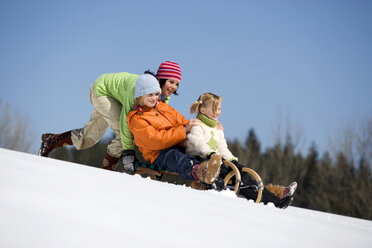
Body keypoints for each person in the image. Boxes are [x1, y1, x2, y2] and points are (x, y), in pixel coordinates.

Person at [39, 61, 182, 171]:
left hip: (115, 97)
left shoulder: (160, 97)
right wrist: (128, 152)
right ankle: (107, 173)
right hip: (103, 91)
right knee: (122, 133)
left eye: (177, 84)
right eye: (171, 82)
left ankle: (51, 141)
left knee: (88, 138)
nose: (174, 87)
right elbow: (128, 121)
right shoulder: (140, 89)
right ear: (161, 79)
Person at [185, 92, 297, 208]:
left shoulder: (217, 129)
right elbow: (198, 142)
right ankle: (274, 200)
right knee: (240, 181)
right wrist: (211, 154)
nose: (218, 112)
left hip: (216, 160)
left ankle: (275, 198)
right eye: (214, 109)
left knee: (243, 175)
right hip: (200, 160)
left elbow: (223, 148)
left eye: (219, 109)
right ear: (202, 110)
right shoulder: (197, 125)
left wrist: (233, 160)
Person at [127, 74, 223, 185]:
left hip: (178, 145)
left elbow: (182, 121)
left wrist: (206, 124)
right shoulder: (137, 118)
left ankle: (217, 171)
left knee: (195, 153)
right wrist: (182, 131)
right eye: (150, 94)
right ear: (140, 96)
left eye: (156, 94)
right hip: (159, 154)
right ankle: (199, 171)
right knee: (177, 158)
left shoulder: (163, 107)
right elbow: (155, 140)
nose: (154, 98)